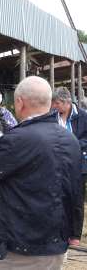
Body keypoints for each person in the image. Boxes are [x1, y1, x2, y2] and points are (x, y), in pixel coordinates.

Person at [0, 76, 83, 269]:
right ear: (49, 102)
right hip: (55, 244)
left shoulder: (20, 138)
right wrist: (74, 234)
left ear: (19, 102)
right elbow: (76, 190)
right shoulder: (69, 139)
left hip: (23, 246)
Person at [51, 86, 86, 246]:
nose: (55, 106)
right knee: (58, 197)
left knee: (76, 199)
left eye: (57, 103)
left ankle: (74, 235)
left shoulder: (83, 116)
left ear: (66, 102)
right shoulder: (52, 117)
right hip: (56, 163)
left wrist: (72, 145)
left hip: (77, 163)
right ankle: (60, 232)